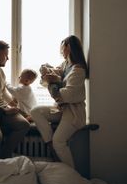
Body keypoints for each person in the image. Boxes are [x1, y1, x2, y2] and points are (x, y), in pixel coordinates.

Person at [31, 35, 88, 168]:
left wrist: (54, 81)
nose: (60, 50)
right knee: (35, 111)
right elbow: (46, 79)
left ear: (68, 47)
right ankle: (49, 144)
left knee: (59, 141)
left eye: (62, 47)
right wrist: (45, 70)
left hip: (74, 112)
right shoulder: (66, 65)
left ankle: (71, 174)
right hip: (61, 109)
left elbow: (65, 95)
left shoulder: (78, 70)